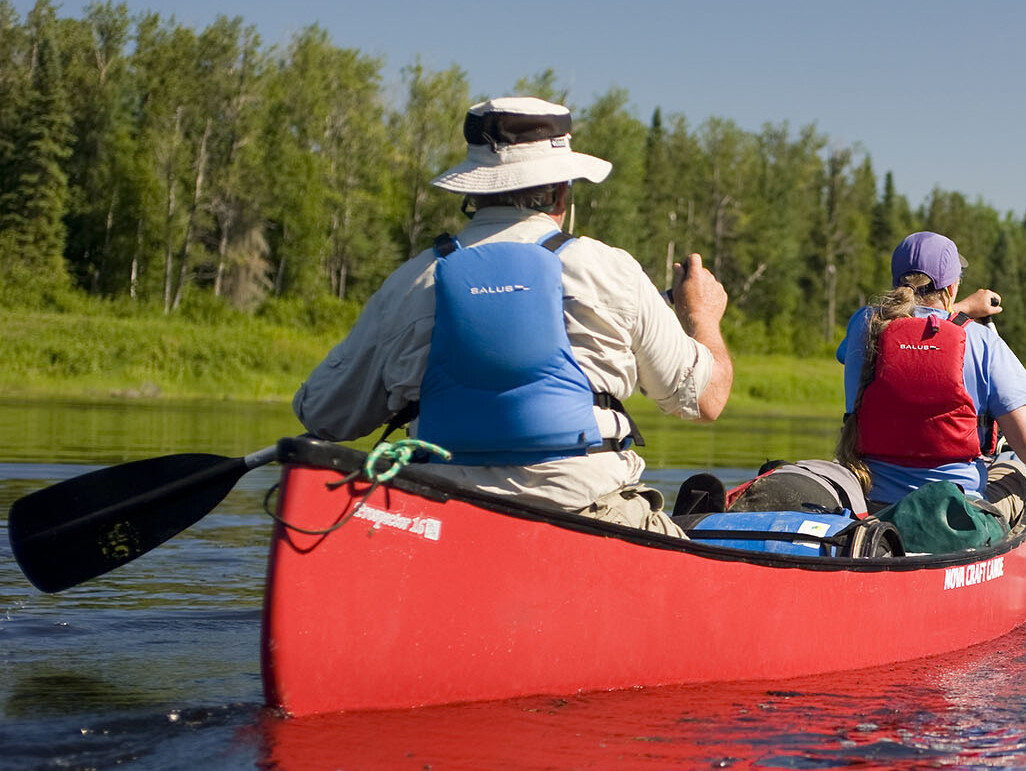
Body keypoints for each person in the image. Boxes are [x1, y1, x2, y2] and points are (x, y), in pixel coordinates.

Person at [292, 96, 732, 535]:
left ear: (473, 190)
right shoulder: (609, 270)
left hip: (439, 523)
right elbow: (705, 399)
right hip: (591, 518)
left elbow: (324, 414)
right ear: (563, 190)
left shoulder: (411, 281)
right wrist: (703, 317)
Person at [834, 231, 1026, 524]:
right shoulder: (983, 342)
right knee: (1018, 464)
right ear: (952, 288)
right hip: (956, 513)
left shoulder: (864, 325)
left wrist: (961, 309)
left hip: (875, 502)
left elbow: (901, 328)